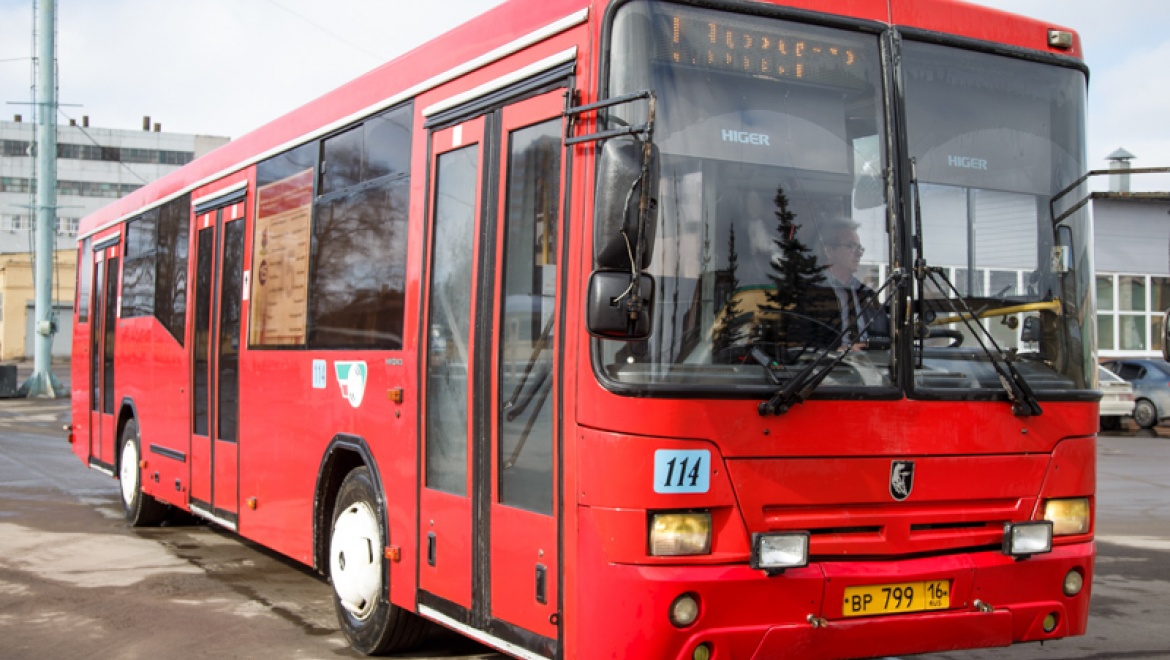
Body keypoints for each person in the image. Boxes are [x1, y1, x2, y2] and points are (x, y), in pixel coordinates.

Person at [805, 218, 887, 349]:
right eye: (851, 246)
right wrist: (837, 352)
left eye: (860, 248)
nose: (859, 253)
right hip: (827, 367)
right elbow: (797, 345)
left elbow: (886, 338)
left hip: (871, 366)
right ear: (829, 251)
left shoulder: (867, 295)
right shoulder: (810, 293)